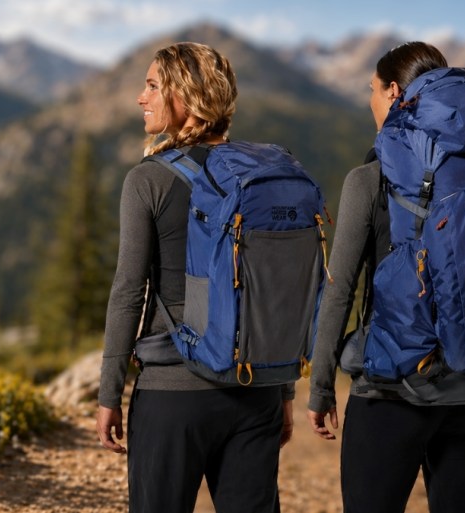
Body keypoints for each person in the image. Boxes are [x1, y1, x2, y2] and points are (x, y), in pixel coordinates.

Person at [306, 41, 465, 513]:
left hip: (390, 392)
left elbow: (339, 289)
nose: (369, 100)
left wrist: (321, 386)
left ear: (394, 91)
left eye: (372, 90)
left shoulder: (370, 178)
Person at [96, 42, 293, 513]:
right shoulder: (263, 175)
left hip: (173, 395)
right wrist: (282, 388)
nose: (140, 98)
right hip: (255, 390)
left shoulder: (149, 180)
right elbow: (276, 289)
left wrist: (109, 394)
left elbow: (129, 292)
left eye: (151, 86)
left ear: (185, 96)